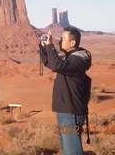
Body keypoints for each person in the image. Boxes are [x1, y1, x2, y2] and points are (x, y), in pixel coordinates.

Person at [39, 27, 92, 155]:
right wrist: (43, 47)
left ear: (72, 43)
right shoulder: (70, 58)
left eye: (62, 39)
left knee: (72, 152)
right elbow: (50, 62)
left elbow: (57, 66)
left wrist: (50, 46)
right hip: (65, 111)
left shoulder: (78, 59)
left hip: (71, 112)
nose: (59, 41)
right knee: (67, 151)